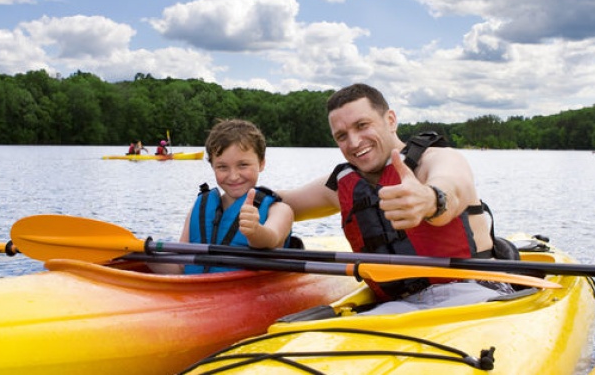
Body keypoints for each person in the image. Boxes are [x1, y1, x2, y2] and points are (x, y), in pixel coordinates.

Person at [279, 83, 516, 314]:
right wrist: (244, 180)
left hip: (473, 293)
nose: (354, 142)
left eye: (362, 125)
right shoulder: (340, 185)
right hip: (398, 306)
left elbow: (453, 189)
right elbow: (282, 203)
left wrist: (429, 200)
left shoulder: (436, 159)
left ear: (390, 120)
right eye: (342, 136)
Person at [154, 119, 294, 274]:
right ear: (213, 166)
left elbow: (272, 238)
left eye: (243, 165)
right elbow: (180, 266)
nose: (233, 176)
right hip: (197, 292)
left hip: (249, 293)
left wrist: (255, 232)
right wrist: (144, 257)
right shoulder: (199, 207)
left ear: (261, 163)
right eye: (222, 167)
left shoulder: (280, 210)